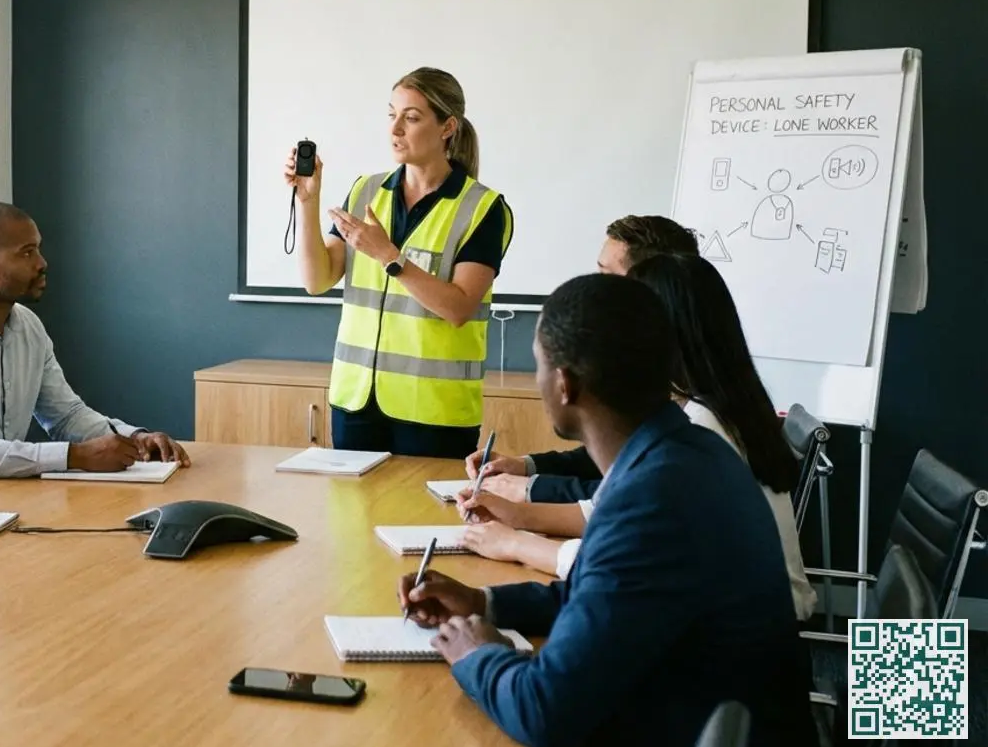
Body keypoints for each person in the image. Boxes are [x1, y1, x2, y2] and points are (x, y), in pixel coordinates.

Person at [397, 273, 816, 747]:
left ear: (564, 384)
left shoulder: (652, 498)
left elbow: (546, 712)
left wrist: (477, 655)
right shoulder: (687, 450)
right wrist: (482, 602)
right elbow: (593, 595)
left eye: (537, 366)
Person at [459, 255, 817, 621]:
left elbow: (620, 565)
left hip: (750, 627)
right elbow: (614, 532)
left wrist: (517, 542)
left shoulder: (698, 432)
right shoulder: (710, 408)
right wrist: (518, 518)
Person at [287, 67, 514, 459]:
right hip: (356, 402)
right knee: (350, 521)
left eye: (411, 118)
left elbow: (459, 307)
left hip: (434, 413)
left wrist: (389, 257)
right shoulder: (366, 190)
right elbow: (316, 279)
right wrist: (307, 202)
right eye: (391, 114)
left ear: (448, 127)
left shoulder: (483, 209)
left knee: (425, 520)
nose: (395, 129)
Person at [0, 202, 190, 481]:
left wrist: (133, 438)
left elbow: (66, 416)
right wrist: (75, 456)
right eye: (26, 253)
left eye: (38, 250)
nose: (42, 263)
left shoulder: (27, 325)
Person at [460, 214, 700, 504]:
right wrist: (526, 466)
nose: (594, 287)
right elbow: (620, 453)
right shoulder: (647, 352)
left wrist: (528, 493)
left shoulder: (688, 397)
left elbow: (633, 492)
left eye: (606, 274)